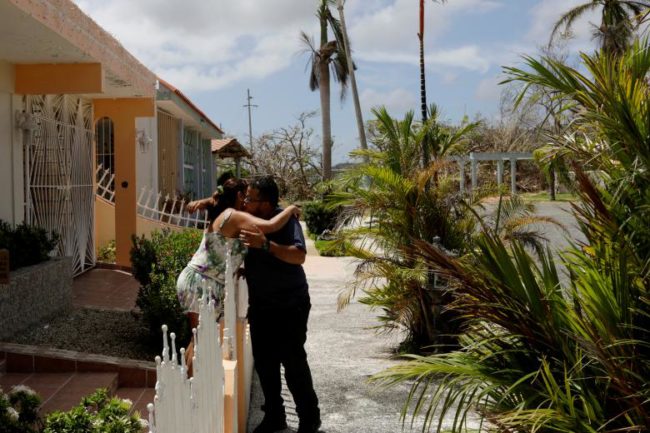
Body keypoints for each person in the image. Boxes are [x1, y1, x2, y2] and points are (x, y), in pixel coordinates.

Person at [238, 176, 321, 433]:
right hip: (262, 305)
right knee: (265, 364)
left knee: (293, 361)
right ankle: (275, 416)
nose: (245, 202)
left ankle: (309, 419)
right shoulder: (250, 220)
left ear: (265, 204)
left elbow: (298, 256)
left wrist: (266, 245)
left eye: (250, 199)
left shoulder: (286, 221)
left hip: (290, 303)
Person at [177, 178, 301, 331]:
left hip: (203, 281)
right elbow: (271, 226)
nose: (247, 201)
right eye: (246, 197)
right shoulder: (234, 216)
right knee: (200, 340)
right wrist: (290, 209)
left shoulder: (226, 213)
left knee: (200, 340)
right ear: (239, 196)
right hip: (203, 282)